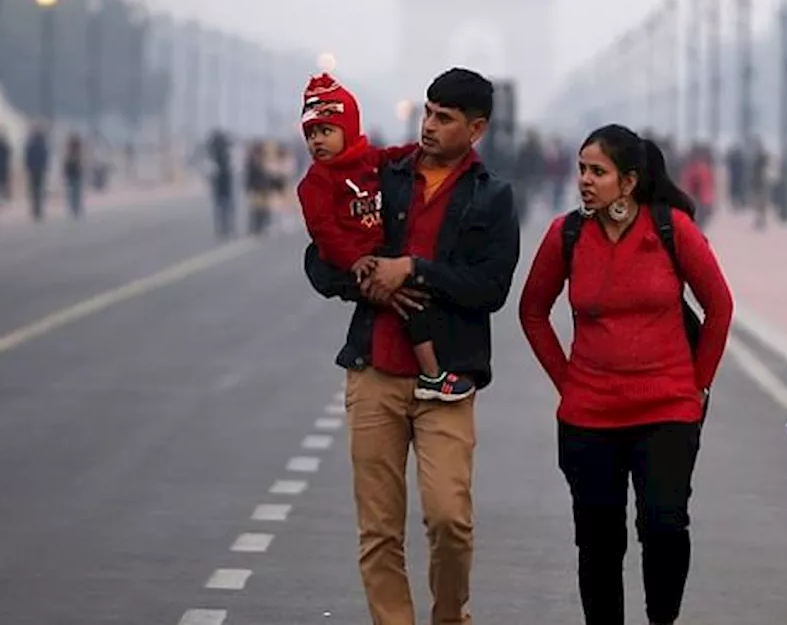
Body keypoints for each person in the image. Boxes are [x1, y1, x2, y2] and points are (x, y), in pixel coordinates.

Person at [303, 67, 520, 625]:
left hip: (448, 377)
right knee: (378, 529)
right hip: (374, 366)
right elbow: (319, 260)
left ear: (475, 130)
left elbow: (493, 289)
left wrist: (414, 270)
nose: (428, 125)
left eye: (443, 118)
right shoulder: (384, 175)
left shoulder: (492, 196)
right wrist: (371, 282)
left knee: (450, 518)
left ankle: (450, 615)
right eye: (426, 112)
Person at [518, 124, 733, 625]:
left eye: (598, 172)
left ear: (629, 181)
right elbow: (532, 311)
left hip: (667, 409)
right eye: (582, 170)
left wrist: (697, 384)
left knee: (663, 526)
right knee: (598, 540)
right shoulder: (566, 235)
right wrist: (566, 380)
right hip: (589, 416)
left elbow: (719, 307)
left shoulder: (670, 230)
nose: (585, 181)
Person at [297, 72, 475, 401]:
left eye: (326, 131)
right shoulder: (317, 180)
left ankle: (431, 374)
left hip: (382, 256)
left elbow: (393, 155)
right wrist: (354, 263)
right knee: (411, 308)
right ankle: (434, 375)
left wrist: (422, 149)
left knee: (412, 306)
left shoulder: (369, 161)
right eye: (311, 135)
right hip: (360, 261)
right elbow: (322, 232)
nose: (317, 141)